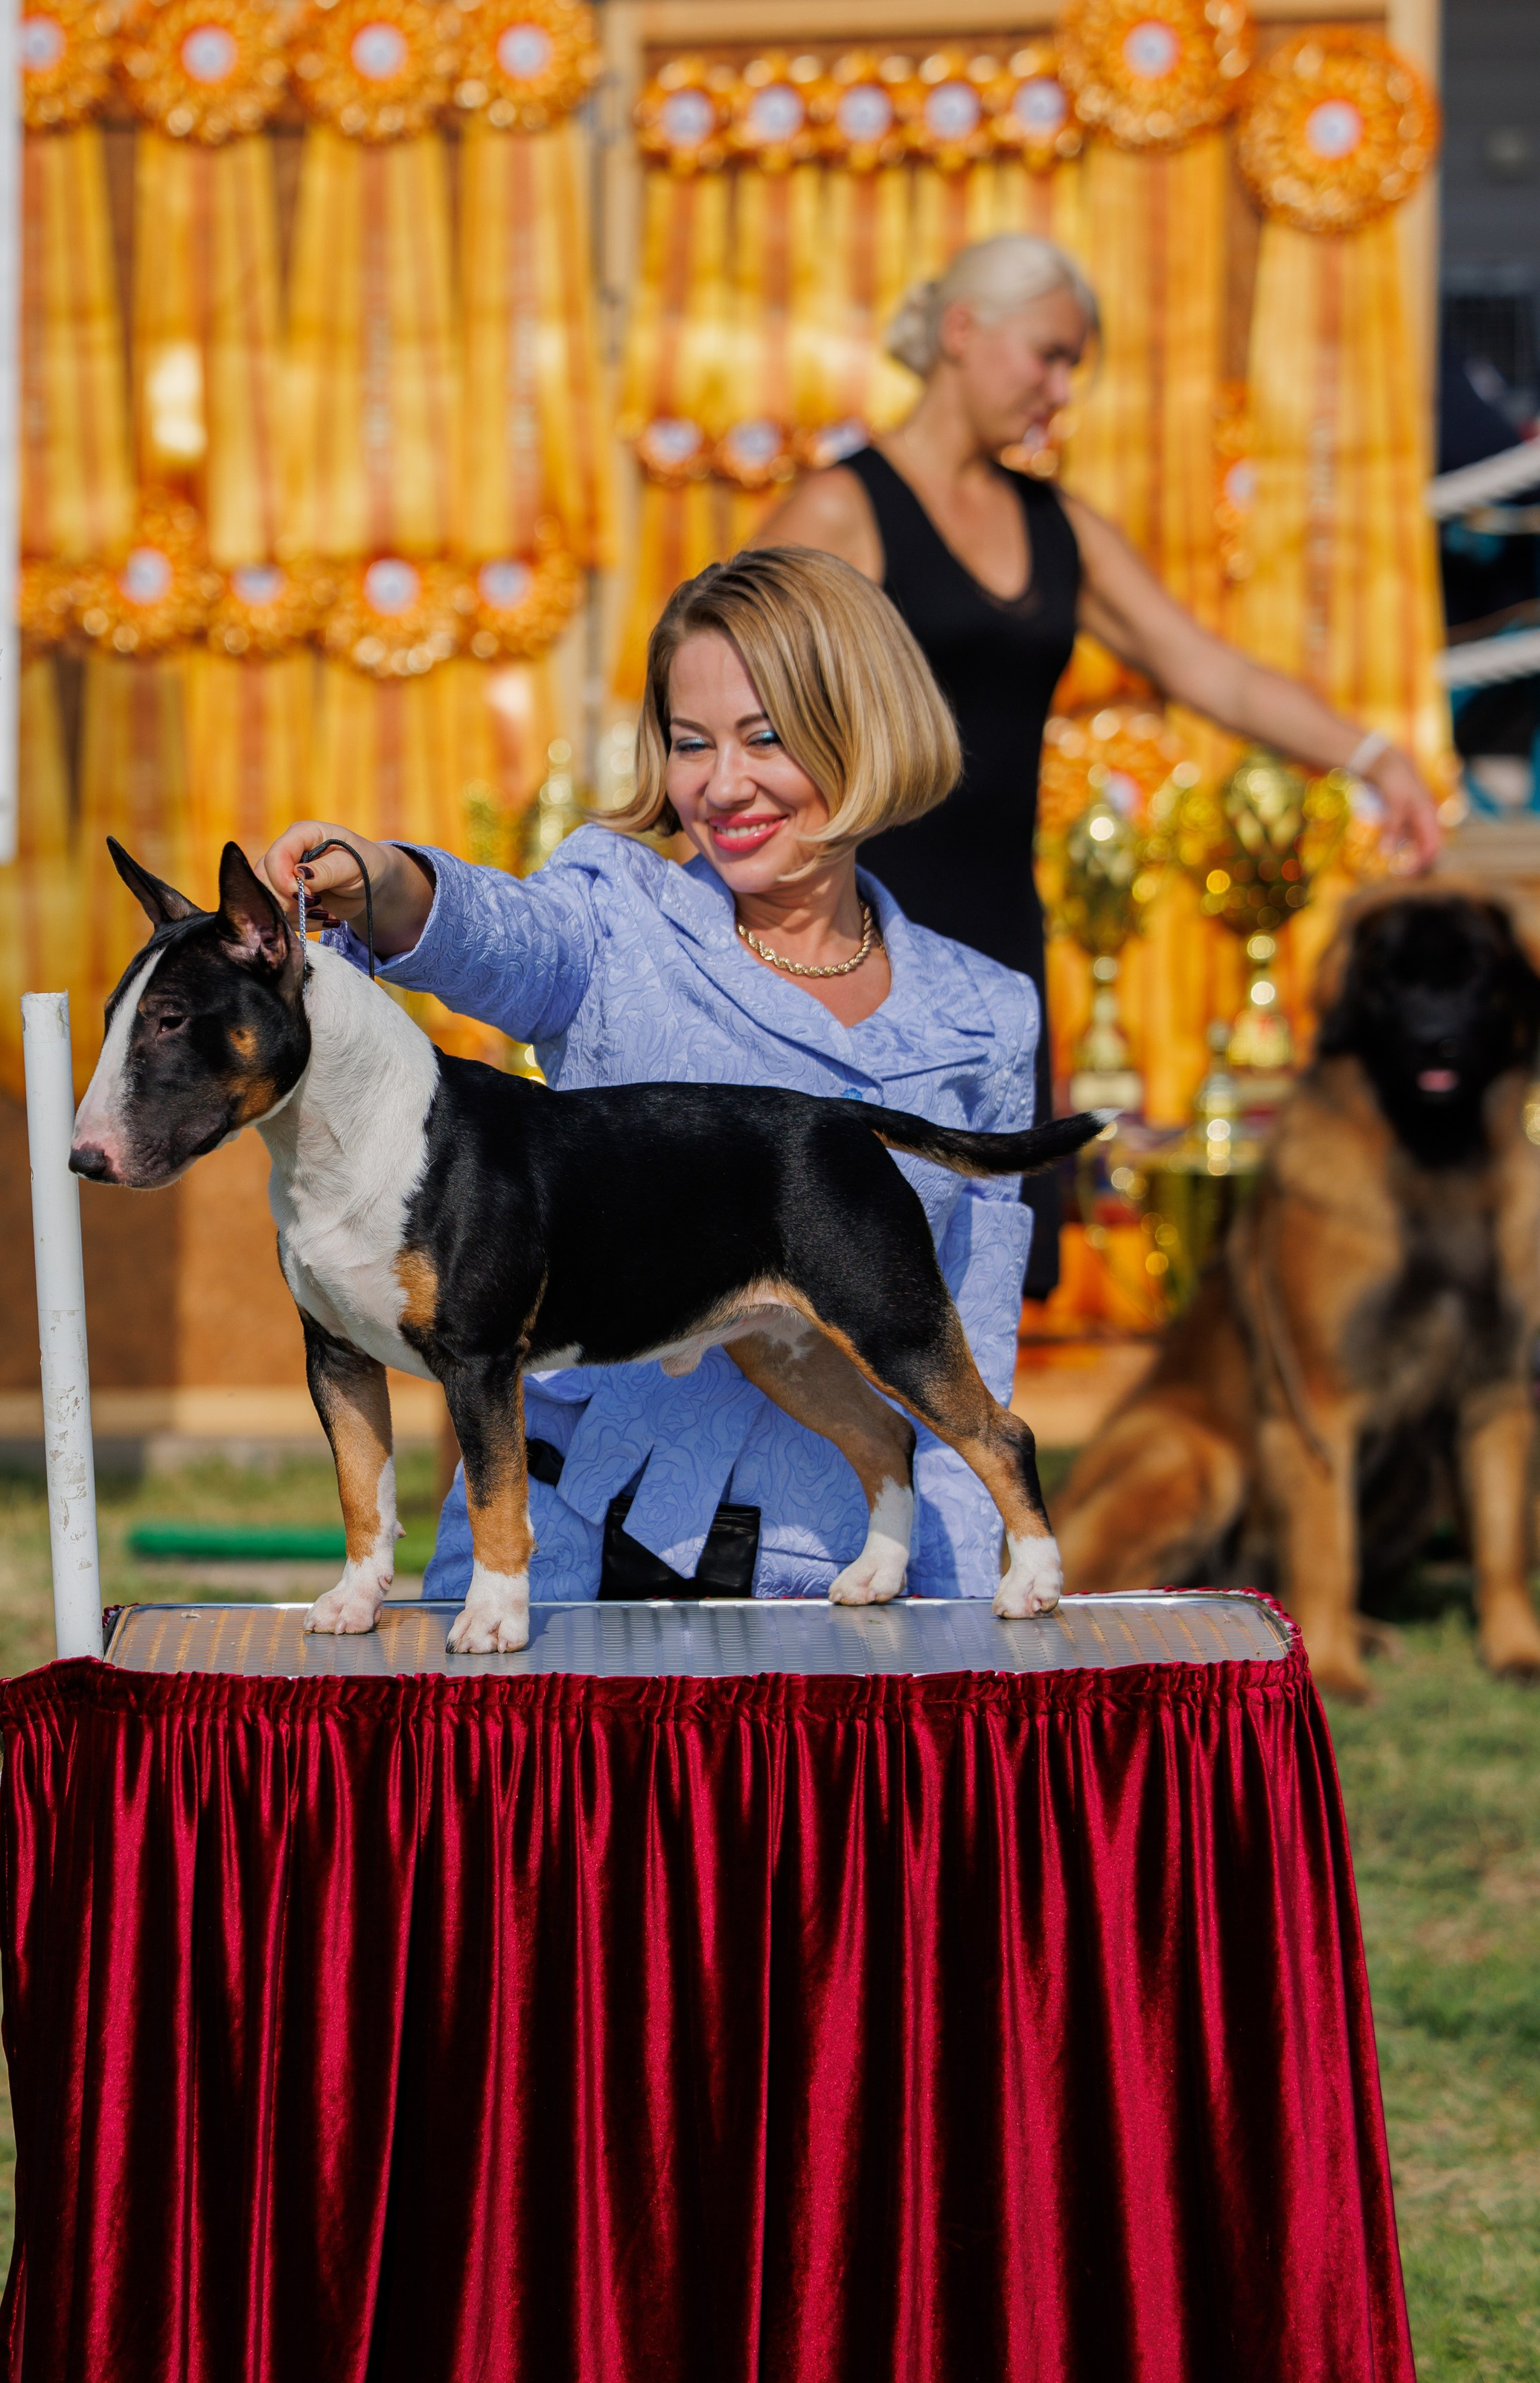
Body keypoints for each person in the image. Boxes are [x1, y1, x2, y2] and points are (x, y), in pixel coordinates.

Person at [259, 544, 1041, 1607]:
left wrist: (957, 1608)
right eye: (689, 744)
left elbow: (966, 1346)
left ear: (863, 727)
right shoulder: (611, 910)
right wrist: (386, 878)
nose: (723, 785)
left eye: (767, 738)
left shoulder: (987, 1015)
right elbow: (499, 933)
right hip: (577, 1556)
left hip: (838, 1595)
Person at [754, 231, 1444, 1293]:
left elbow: (1210, 671)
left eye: (1076, 366)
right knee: (845, 1274)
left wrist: (1373, 755)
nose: (1061, 389)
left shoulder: (1057, 524)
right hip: (859, 938)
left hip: (997, 945)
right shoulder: (842, 510)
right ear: (962, 331)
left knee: (983, 1277)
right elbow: (731, 698)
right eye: (1050, 355)